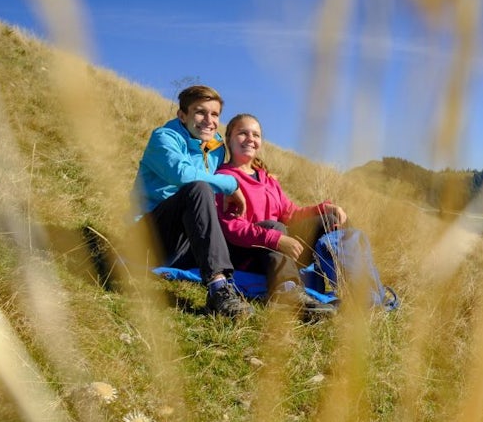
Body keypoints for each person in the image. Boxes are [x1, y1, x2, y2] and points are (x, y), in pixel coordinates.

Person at [132, 85, 252, 318]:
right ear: (182, 115)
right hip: (148, 237)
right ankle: (218, 288)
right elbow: (183, 176)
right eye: (200, 112)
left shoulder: (216, 147)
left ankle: (289, 289)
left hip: (186, 241)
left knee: (262, 231)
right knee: (197, 188)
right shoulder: (163, 138)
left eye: (215, 114)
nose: (208, 120)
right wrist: (231, 185)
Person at [215, 113, 345, 316]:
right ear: (229, 138)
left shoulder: (267, 180)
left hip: (278, 251)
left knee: (328, 220)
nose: (250, 139)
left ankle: (349, 289)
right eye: (243, 133)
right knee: (272, 225)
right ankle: (287, 294)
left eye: (256, 135)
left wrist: (324, 208)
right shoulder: (224, 178)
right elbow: (230, 228)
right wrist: (275, 238)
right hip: (246, 254)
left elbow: (291, 213)